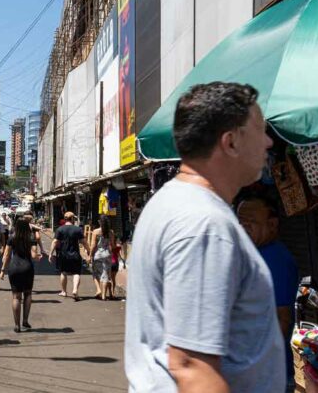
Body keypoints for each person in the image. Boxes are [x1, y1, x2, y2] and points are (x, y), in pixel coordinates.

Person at [125, 82, 282, 392]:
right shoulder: (203, 224)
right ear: (231, 142)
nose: (268, 143)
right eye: (260, 130)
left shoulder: (176, 204)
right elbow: (192, 369)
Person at [237, 195, 299, 389]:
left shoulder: (275, 259)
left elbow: (282, 318)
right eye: (240, 221)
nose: (244, 227)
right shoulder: (253, 254)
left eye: (252, 221)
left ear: (272, 225)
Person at [0, 218, 40, 333]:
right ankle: (25, 321)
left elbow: (7, 255)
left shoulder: (12, 237)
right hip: (27, 268)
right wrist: (38, 256)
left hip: (14, 268)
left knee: (16, 297)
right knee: (27, 294)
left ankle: (17, 325)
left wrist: (3, 270)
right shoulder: (31, 238)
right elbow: (34, 255)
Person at [50, 212, 89, 301]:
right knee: (76, 273)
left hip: (63, 255)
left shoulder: (60, 229)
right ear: (72, 219)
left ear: (65, 219)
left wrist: (50, 253)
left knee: (63, 272)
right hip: (75, 255)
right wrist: (89, 251)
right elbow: (84, 242)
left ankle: (64, 291)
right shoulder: (78, 229)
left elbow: (55, 241)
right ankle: (75, 290)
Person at [89, 215, 115, 301]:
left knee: (96, 273)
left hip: (98, 254)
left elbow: (93, 245)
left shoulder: (96, 231)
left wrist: (90, 255)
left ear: (100, 222)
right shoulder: (111, 232)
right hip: (107, 254)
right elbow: (113, 245)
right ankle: (104, 295)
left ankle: (99, 290)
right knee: (105, 274)